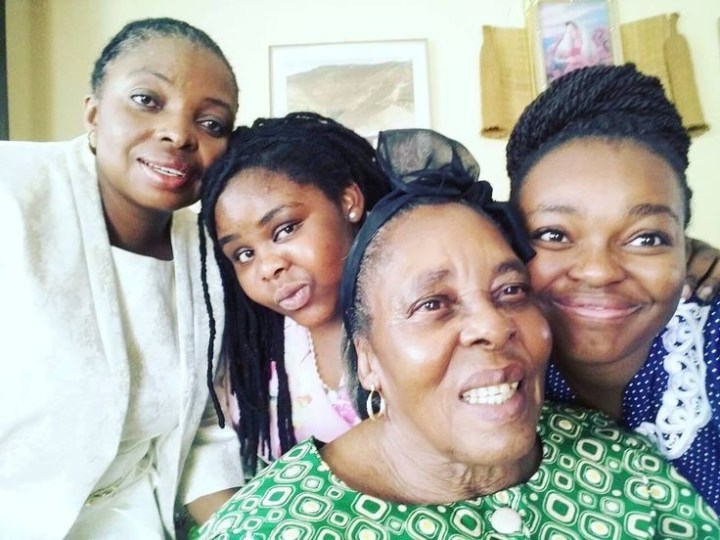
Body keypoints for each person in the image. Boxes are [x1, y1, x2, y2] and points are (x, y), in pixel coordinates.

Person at [198, 129, 719, 539]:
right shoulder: (272, 524)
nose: (492, 325)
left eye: (511, 291)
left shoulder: (618, 458)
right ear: (368, 359)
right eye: (432, 304)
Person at [0, 18, 244, 538]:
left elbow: (204, 427)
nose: (179, 133)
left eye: (211, 123)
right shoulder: (11, 195)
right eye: (146, 100)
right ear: (93, 111)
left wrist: (244, 530)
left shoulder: (211, 254)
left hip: (131, 517)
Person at [506, 63, 720, 514]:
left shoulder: (709, 344)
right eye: (554, 234)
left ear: (685, 246)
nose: (598, 272)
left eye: (647, 238)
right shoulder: (484, 360)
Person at [198, 112, 390, 476]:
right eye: (244, 254)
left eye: (285, 229)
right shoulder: (261, 355)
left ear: (348, 201)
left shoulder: (417, 326)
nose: (268, 267)